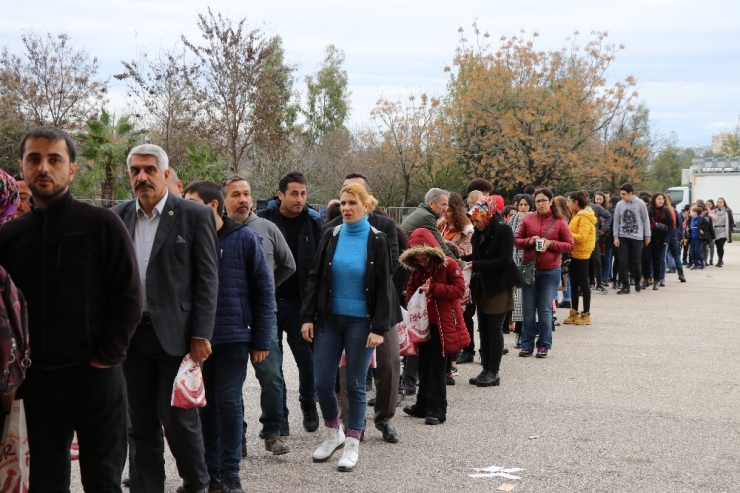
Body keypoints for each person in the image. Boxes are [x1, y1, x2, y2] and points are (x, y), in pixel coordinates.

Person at [0, 127, 142, 490]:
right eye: (34, 159)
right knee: (46, 481)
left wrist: (107, 356)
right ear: (22, 166)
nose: (43, 167)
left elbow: (129, 296)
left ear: (72, 169)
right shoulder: (11, 237)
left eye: (54, 160)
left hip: (97, 378)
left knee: (103, 479)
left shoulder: (102, 225)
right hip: (39, 383)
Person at [112, 144, 219, 493]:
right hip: (131, 339)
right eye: (135, 171)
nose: (142, 177)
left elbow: (207, 279)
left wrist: (202, 333)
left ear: (166, 174)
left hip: (177, 337)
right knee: (138, 425)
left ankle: (196, 485)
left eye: (149, 169)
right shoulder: (118, 216)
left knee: (179, 421)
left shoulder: (193, 215)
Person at [300, 183, 400, 471]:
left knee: (355, 384)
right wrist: (307, 317)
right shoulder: (331, 234)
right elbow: (315, 277)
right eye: (342, 203)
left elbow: (383, 286)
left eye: (352, 203)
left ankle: (353, 443)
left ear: (366, 205)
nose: (345, 208)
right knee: (321, 382)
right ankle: (334, 433)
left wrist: (379, 328)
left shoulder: (377, 238)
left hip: (361, 323)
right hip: (329, 321)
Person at [183, 181, 274, 493]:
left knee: (228, 401)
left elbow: (264, 292)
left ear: (211, 206)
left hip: (235, 336)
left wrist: (261, 340)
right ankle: (209, 475)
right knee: (203, 406)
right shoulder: (189, 239)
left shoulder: (244, 237)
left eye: (191, 203)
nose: (185, 209)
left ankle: (231, 474)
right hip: (198, 339)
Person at [324, 173, 402, 444]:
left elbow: (393, 264)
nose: (347, 204)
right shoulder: (334, 227)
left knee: (390, 362)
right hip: (345, 312)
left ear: (367, 198)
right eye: (345, 194)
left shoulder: (384, 226)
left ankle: (385, 418)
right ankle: (352, 424)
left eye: (355, 194)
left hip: (381, 305)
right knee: (349, 371)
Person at [220, 174, 295, 454]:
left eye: (247, 194)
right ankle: (235, 436)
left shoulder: (267, 228)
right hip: (230, 318)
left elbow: (289, 265)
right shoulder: (215, 230)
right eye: (236, 194)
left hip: (264, 316)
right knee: (231, 382)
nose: (243, 200)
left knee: (271, 377)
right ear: (223, 199)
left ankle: (273, 431)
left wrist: (265, 289)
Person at [257, 171, 323, 433]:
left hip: (301, 305)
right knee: (273, 367)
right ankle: (279, 416)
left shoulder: (315, 223)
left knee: (308, 362)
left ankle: (308, 402)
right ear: (280, 195)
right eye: (294, 193)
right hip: (270, 303)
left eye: (304, 193)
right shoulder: (263, 220)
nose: (300, 199)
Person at [401, 228, 469, 424]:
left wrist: (433, 289)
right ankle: (423, 405)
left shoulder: (449, 265)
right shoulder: (417, 270)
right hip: (423, 324)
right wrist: (412, 302)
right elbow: (411, 289)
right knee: (423, 366)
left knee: (437, 368)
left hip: (442, 324)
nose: (421, 262)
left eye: (423, 258)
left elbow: (459, 290)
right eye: (417, 259)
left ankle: (438, 410)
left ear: (432, 252)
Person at [462, 195, 516, 385]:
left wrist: (476, 264)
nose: (475, 223)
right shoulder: (479, 231)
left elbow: (505, 260)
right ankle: (485, 369)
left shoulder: (503, 231)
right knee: (483, 327)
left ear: (487, 214)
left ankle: (493, 371)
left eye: (477, 219)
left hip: (499, 285)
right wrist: (462, 258)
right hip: (482, 284)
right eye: (473, 220)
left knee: (494, 328)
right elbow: (476, 255)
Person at [514, 188, 574, 358]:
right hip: (529, 269)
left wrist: (552, 244)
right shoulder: (528, 219)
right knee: (527, 309)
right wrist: (529, 241)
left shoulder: (559, 221)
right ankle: (526, 344)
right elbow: (517, 241)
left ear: (551, 201)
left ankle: (544, 345)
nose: (540, 204)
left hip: (550, 271)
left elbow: (570, 245)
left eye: (543, 200)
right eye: (538, 201)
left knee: (545, 310)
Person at [436, 191, 473, 383]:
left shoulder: (467, 229)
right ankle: (445, 364)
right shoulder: (439, 224)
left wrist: (445, 244)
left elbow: (467, 253)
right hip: (440, 275)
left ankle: (453, 364)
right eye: (443, 208)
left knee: (455, 319)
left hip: (457, 276)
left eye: (448, 210)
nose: (445, 213)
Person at [564, 191, 596, 325]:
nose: (568, 204)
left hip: (582, 252)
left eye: (569, 201)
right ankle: (574, 311)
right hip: (573, 251)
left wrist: (566, 234)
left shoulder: (584, 216)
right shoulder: (575, 214)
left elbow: (582, 236)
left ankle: (586, 313)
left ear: (576, 202)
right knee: (574, 283)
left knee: (584, 282)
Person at [612, 183, 651, 295]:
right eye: (621, 194)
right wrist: (616, 236)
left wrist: (647, 236)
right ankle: (625, 286)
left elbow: (645, 220)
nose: (622, 196)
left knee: (635, 261)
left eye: (624, 194)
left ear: (630, 193)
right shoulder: (619, 204)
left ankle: (637, 281)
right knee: (623, 261)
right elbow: (616, 221)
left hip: (637, 237)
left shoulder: (640, 204)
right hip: (623, 236)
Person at [400, 188, 455, 258]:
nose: (445, 209)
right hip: (406, 257)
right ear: (431, 204)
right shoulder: (428, 217)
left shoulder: (421, 212)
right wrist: (458, 264)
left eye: (446, 205)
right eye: (443, 205)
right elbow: (440, 245)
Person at [510, 194, 534, 347]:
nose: (523, 208)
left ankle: (527, 333)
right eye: (521, 205)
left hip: (529, 262)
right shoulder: (514, 219)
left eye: (526, 204)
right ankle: (519, 333)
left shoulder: (533, 218)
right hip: (515, 261)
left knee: (527, 300)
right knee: (517, 301)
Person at [643, 193, 674, 290]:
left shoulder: (666, 211)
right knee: (646, 258)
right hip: (648, 236)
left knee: (657, 260)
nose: (661, 201)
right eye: (659, 199)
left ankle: (656, 280)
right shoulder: (648, 209)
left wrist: (667, 239)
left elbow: (671, 226)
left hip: (660, 237)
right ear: (654, 200)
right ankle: (646, 278)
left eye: (663, 199)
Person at [713, 198, 734, 267]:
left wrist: (730, 229)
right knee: (717, 245)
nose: (719, 203)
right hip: (716, 229)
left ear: (724, 203)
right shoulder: (714, 211)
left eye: (721, 202)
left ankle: (720, 260)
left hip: (723, 230)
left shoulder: (728, 211)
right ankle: (720, 259)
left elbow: (731, 222)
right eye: (718, 202)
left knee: (720, 245)